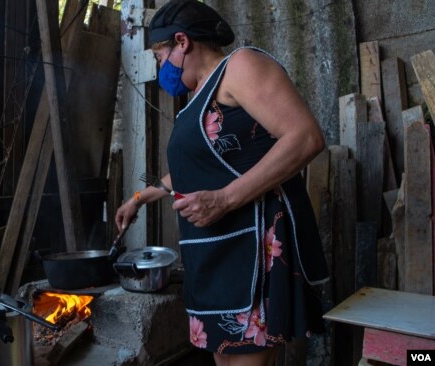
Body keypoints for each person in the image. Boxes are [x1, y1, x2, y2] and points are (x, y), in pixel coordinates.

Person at [114, 1, 330, 365]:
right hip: (214, 257)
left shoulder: (240, 66)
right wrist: (140, 195)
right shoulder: (195, 101)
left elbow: (306, 136)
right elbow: (191, 169)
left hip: (252, 247)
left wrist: (225, 199)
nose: (158, 66)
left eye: (159, 53)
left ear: (181, 41)